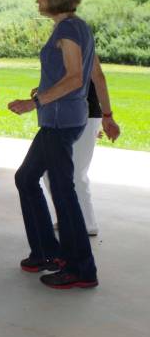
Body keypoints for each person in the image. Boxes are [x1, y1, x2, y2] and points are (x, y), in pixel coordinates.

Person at [8, 0, 113, 289]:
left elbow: (73, 78)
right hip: (66, 117)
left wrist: (35, 101)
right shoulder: (80, 28)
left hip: (59, 120)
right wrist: (107, 115)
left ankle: (81, 268)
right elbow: (96, 75)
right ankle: (45, 252)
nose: (37, 0)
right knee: (26, 178)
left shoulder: (67, 29)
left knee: (63, 191)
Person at [44, 69, 121, 237]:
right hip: (67, 115)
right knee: (49, 171)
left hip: (85, 115)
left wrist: (107, 116)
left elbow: (97, 78)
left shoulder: (82, 44)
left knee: (76, 173)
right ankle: (69, 216)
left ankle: (87, 223)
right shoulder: (65, 45)